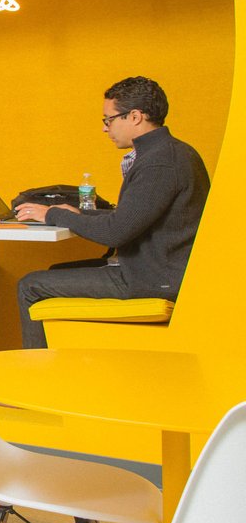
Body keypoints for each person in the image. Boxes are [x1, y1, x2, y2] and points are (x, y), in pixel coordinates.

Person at [13, 76, 209, 349]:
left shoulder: (160, 163)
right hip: (157, 271)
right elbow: (133, 217)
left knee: (30, 286)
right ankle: (67, 367)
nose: (106, 128)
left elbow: (117, 232)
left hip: (151, 280)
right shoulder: (172, 152)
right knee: (56, 272)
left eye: (109, 119)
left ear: (136, 117)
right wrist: (76, 213)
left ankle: (35, 381)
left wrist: (52, 215)